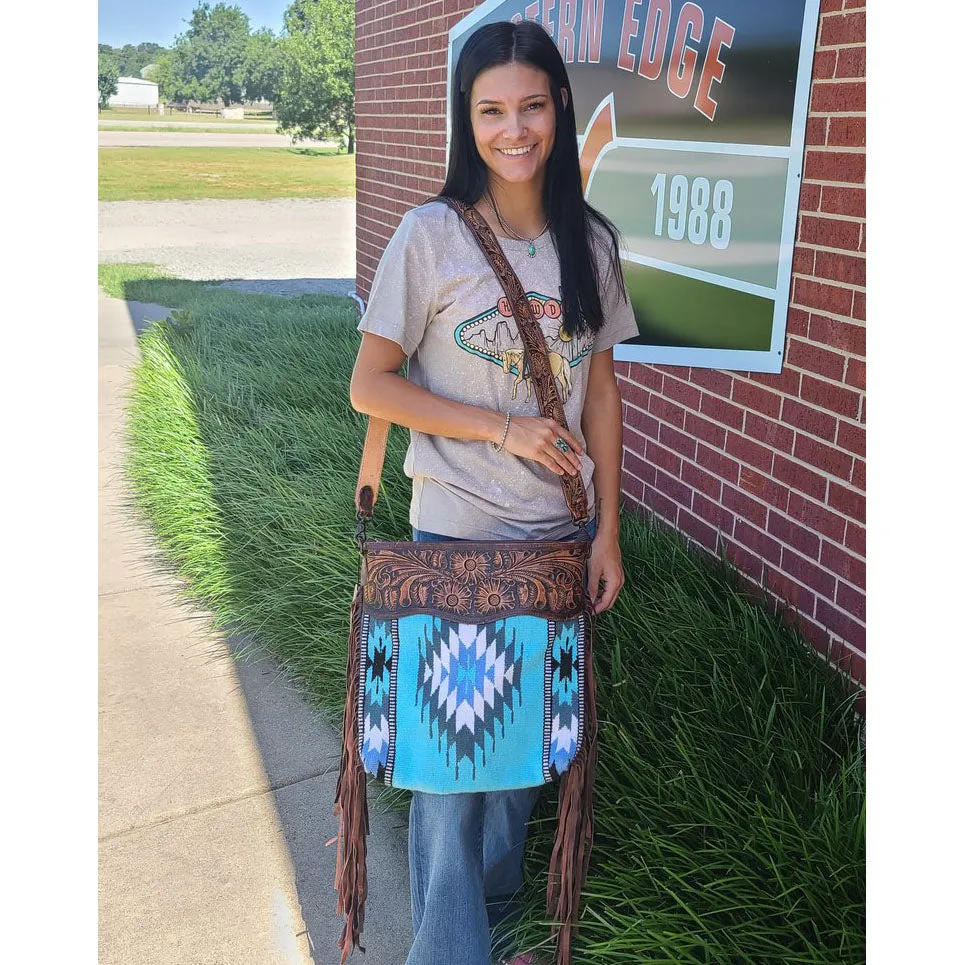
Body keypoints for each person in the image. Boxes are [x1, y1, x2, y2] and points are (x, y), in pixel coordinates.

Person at [348, 18, 640, 965]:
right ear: (463, 119)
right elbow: (371, 382)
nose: (514, 130)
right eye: (490, 111)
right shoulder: (431, 237)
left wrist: (607, 533)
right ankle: (445, 950)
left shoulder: (589, 244)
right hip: (453, 546)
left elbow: (599, 386)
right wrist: (502, 427)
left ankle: (495, 933)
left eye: (531, 105)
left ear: (558, 108)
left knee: (519, 770)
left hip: (551, 549)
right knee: (448, 777)